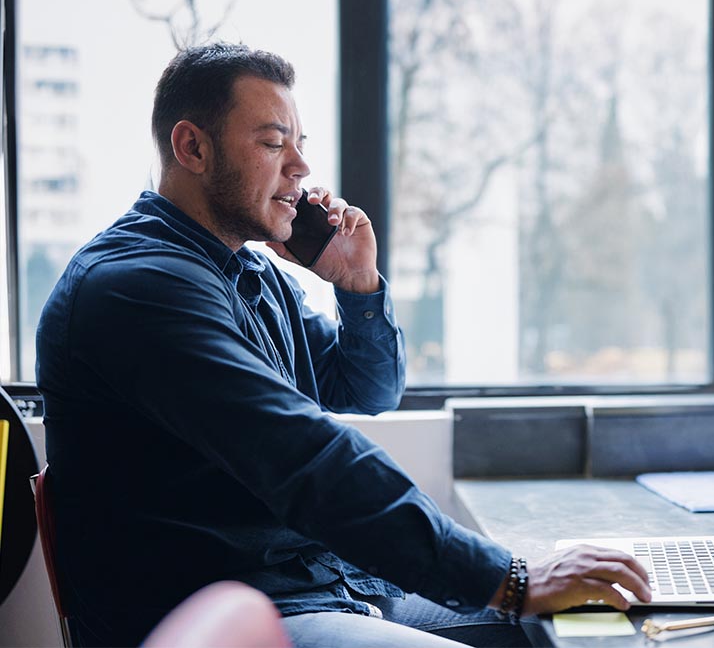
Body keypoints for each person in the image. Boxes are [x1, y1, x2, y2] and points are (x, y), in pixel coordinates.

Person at [35, 42, 651, 648]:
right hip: (231, 617)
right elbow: (307, 455)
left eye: (300, 145)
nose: (300, 168)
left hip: (330, 587)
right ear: (192, 146)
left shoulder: (251, 274)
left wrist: (358, 289)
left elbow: (368, 390)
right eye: (274, 143)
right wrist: (510, 579)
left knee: (593, 630)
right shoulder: (137, 289)